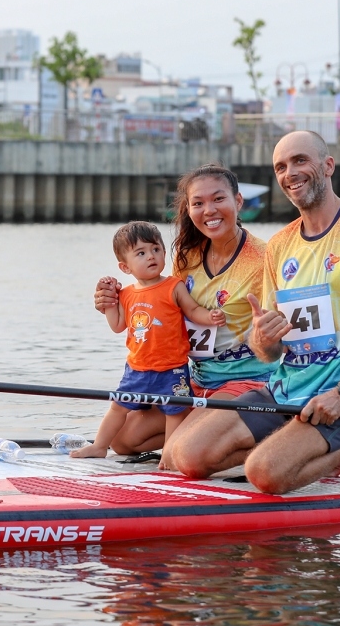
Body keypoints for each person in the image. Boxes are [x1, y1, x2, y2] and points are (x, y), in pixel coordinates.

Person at [169, 131, 340, 495]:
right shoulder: (281, 243)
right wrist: (263, 336)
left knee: (264, 475)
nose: (291, 172)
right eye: (281, 167)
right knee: (187, 457)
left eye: (300, 160)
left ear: (327, 165)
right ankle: (302, 443)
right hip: (283, 389)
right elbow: (268, 352)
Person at [93, 165, 273, 466]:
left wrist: (266, 333)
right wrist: (111, 300)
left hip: (244, 381)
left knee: (184, 455)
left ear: (238, 202)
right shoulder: (186, 255)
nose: (209, 210)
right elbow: (157, 303)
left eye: (218, 199)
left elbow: (285, 333)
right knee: (122, 441)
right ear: (188, 209)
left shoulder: (265, 258)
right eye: (198, 203)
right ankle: (203, 436)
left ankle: (281, 435)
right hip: (191, 380)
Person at [73, 221, 226, 460]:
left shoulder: (173, 286)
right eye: (141, 253)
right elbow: (117, 326)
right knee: (118, 406)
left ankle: (169, 453)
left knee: (174, 411)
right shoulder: (127, 294)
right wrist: (110, 303)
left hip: (172, 370)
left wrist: (210, 316)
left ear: (165, 253)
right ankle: (99, 445)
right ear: (125, 267)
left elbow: (193, 310)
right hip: (137, 369)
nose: (151, 257)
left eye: (156, 249)